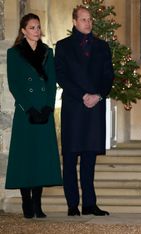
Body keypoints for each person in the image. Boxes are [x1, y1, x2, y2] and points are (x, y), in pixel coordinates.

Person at [55, 5, 114, 216]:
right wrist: (82, 95)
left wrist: (98, 95)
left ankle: (90, 203)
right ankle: (72, 204)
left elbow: (108, 76)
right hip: (74, 106)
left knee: (89, 158)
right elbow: (61, 76)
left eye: (89, 19)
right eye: (83, 19)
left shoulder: (102, 46)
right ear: (74, 22)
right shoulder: (62, 46)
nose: (88, 23)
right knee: (71, 158)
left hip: (94, 107)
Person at [5, 13, 62, 219]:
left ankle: (38, 203)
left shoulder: (48, 52)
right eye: (32, 27)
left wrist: (48, 107)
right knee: (25, 157)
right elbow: (15, 85)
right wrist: (28, 108)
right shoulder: (14, 53)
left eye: (38, 27)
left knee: (41, 158)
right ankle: (26, 201)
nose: (36, 31)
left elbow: (51, 82)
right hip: (25, 113)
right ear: (23, 30)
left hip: (44, 112)